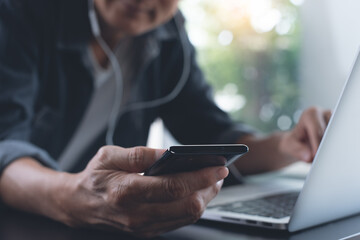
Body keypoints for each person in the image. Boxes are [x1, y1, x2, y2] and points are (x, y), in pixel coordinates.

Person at [0, 0, 331, 238]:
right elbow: (4, 147)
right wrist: (68, 197)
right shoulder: (20, 12)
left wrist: (289, 145)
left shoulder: (168, 35)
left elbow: (214, 136)